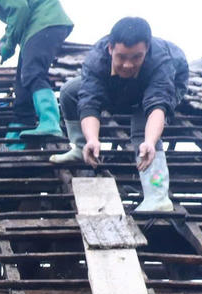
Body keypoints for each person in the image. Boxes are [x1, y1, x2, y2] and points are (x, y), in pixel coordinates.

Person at [49, 16, 188, 212]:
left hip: (166, 82)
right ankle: (81, 148)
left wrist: (150, 142)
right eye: (121, 57)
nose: (128, 65)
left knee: (143, 131)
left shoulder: (161, 62)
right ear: (110, 49)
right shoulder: (96, 60)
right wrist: (92, 139)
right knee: (70, 92)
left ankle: (157, 196)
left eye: (136, 57)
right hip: (120, 85)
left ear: (146, 50)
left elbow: (157, 105)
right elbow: (90, 102)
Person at [0, 0, 73, 148]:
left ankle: (50, 121)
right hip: (34, 29)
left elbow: (20, 10)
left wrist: (9, 44)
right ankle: (17, 136)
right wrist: (5, 39)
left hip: (44, 23)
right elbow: (15, 19)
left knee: (33, 73)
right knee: (23, 86)